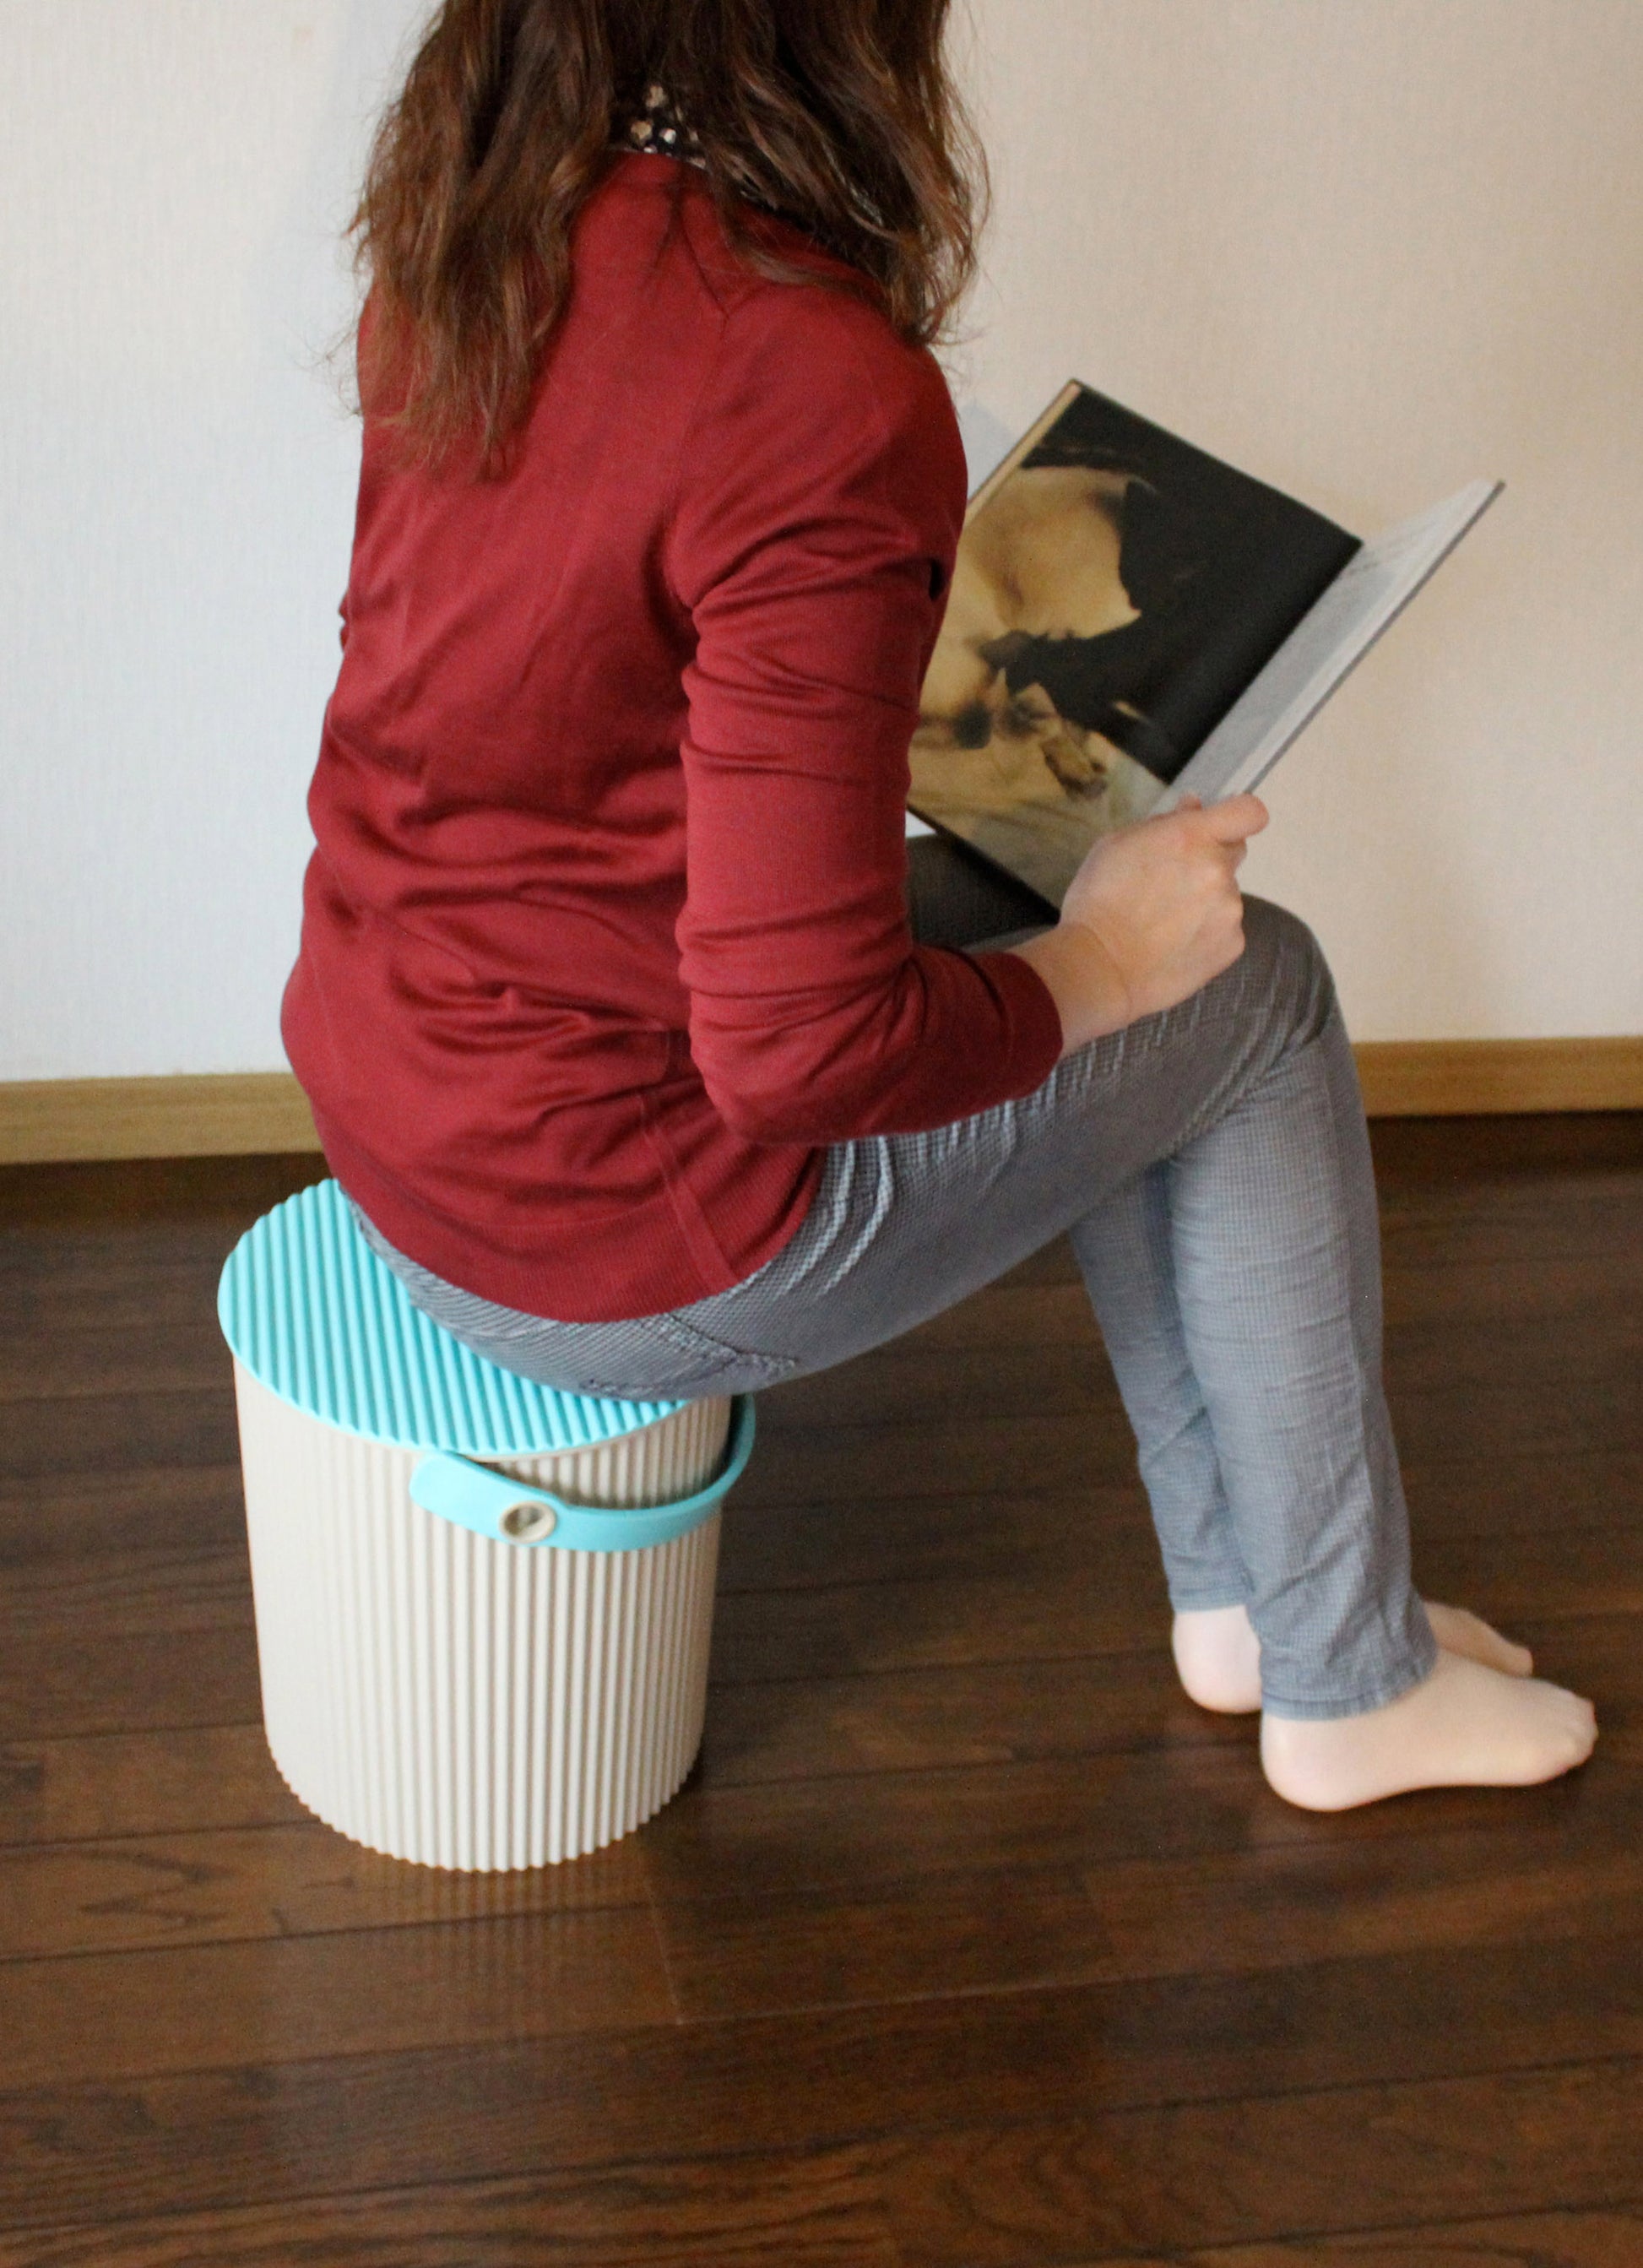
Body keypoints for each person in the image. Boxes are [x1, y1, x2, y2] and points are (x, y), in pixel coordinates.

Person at [282, 0, 1596, 1811]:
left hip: (407, 1093)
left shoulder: (478, 237)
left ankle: (1257, 1608)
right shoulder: (802, 374)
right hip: (609, 1228)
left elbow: (560, 708)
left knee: (1095, 946)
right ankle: (1343, 1675)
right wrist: (1106, 959)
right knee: (1249, 989)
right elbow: (797, 1053)